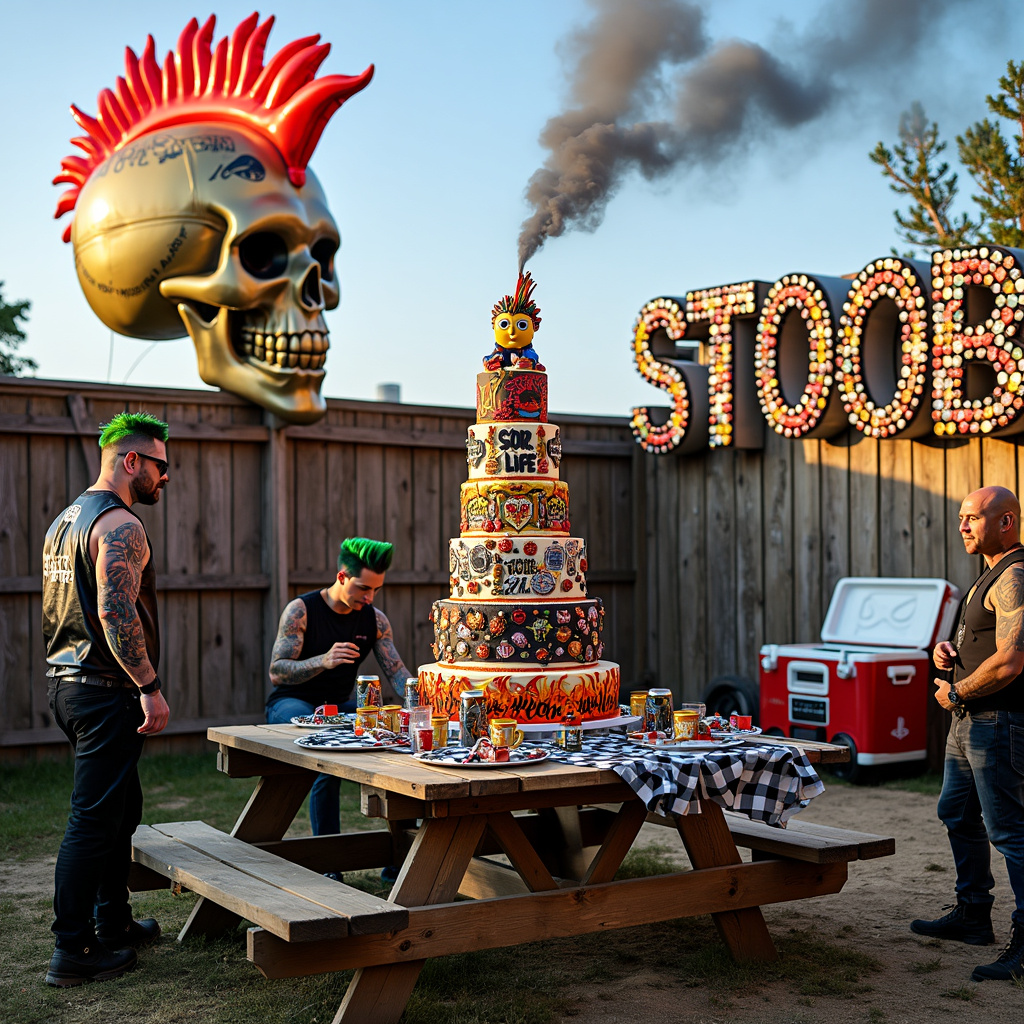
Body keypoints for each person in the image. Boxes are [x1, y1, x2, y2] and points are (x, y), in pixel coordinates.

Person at [41, 411, 172, 987]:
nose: (166, 476)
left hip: (68, 685)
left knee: (120, 811)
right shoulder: (120, 524)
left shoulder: (66, 519)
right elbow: (115, 613)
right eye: (161, 465)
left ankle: (112, 922)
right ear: (131, 460)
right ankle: (72, 950)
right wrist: (149, 687)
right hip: (104, 691)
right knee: (93, 822)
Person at [911, 485, 1024, 982]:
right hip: (969, 722)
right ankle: (974, 915)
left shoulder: (1016, 574)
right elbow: (987, 644)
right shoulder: (990, 572)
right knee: (955, 812)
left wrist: (957, 691)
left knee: (1009, 832)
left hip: (997, 722)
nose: (962, 526)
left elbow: (1011, 661)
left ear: (1006, 521)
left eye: (972, 518)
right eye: (961, 517)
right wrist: (950, 651)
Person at [265, 537, 411, 836]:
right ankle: (327, 851)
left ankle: (402, 847)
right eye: (364, 588)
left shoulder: (375, 620)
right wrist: (323, 660)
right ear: (342, 576)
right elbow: (277, 673)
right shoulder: (301, 610)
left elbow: (397, 672)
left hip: (341, 706)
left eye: (376, 590)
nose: (369, 597)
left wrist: (426, 696)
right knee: (326, 752)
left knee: (396, 736)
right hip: (292, 702)